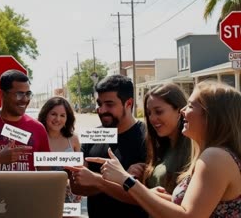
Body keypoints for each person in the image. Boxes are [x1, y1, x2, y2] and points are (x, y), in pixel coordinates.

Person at [87, 81, 241, 217]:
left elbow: (188, 215)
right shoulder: (205, 153)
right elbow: (184, 207)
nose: (183, 111)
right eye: (99, 104)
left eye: (190, 105)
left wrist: (121, 180)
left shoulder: (215, 156)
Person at [67, 74, 148, 218]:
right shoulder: (92, 135)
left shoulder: (147, 137)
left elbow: (144, 197)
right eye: (99, 103)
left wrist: (96, 180)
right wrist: (122, 181)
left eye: (109, 104)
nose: (102, 110)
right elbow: (77, 186)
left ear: (128, 103)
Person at [0, 69, 50, 171]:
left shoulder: (38, 128)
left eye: (28, 94)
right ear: (2, 95)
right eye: (19, 94)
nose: (25, 99)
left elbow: (45, 174)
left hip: (27, 187)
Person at [128, 83, 191, 194]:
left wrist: (125, 180)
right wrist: (139, 176)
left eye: (159, 111)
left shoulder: (194, 151)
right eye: (149, 113)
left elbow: (185, 207)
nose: (152, 118)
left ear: (179, 110)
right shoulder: (160, 147)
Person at [38, 96, 82, 205]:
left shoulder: (73, 139)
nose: (58, 119)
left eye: (62, 115)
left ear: (68, 118)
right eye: (53, 114)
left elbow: (79, 171)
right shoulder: (36, 138)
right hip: (43, 196)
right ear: (45, 114)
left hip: (69, 199)